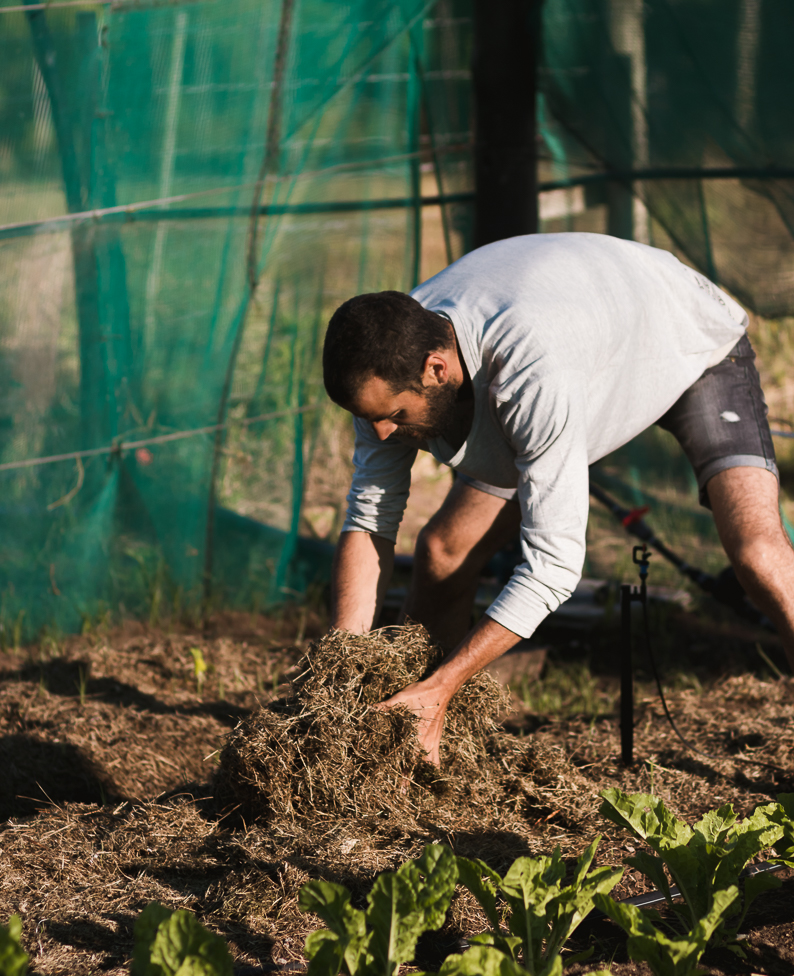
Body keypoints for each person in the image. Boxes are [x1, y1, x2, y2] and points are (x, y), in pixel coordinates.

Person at [321, 232, 794, 765]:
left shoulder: (529, 372)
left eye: (395, 416)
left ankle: (433, 699)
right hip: (587, 353)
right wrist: (343, 670)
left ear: (436, 369)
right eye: (369, 418)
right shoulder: (387, 364)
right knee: (443, 552)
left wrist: (446, 681)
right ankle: (429, 746)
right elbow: (370, 521)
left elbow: (553, 567)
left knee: (757, 552)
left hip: (686, 341)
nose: (380, 432)